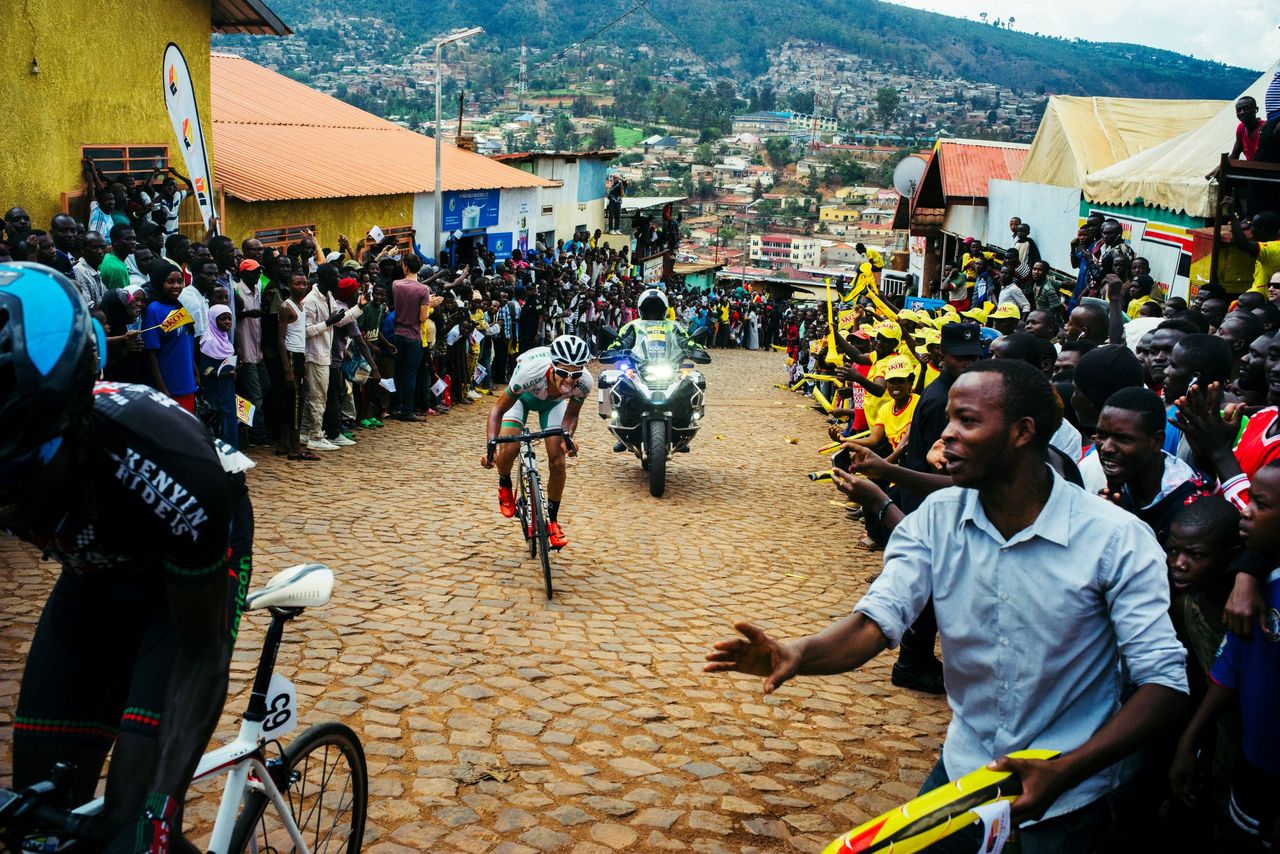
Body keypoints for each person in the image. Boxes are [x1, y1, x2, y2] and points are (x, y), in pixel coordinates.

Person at [707, 359, 1187, 851]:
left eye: (968, 421)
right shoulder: (934, 519)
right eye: (949, 419)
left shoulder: (1118, 540)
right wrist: (801, 653)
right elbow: (874, 624)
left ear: (1023, 432)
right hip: (962, 776)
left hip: (1069, 802)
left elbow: (1164, 684)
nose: (946, 436)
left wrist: (1065, 770)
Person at [1, 262, 253, 853]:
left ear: (72, 416)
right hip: (94, 572)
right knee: (35, 816)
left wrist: (158, 807)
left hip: (180, 583)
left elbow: (201, 649)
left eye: (18, 471)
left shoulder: (165, 464)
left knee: (131, 823)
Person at [1170, 461, 1280, 851]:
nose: (1247, 510)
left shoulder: (1260, 588)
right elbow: (1227, 667)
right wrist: (1191, 739)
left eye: (1261, 504)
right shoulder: (1249, 592)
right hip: (1251, 762)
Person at [481, 335, 593, 549]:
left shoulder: (585, 383)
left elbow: (571, 416)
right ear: (552, 367)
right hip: (520, 400)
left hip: (553, 405)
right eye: (563, 372)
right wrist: (491, 444)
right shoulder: (530, 373)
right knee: (510, 448)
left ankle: (552, 522)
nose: (569, 380)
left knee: (558, 461)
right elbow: (497, 410)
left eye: (575, 373)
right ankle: (505, 483)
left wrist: (568, 436)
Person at [1081, 387, 1213, 542]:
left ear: (1156, 442)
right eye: (1101, 435)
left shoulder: (1191, 508)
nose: (1106, 448)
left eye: (1123, 439)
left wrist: (1125, 528)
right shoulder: (1121, 485)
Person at [140, 262, 198, 412]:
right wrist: (162, 387)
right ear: (160, 282)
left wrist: (195, 372)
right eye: (170, 282)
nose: (177, 286)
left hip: (187, 382)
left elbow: (186, 343)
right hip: (169, 386)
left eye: (180, 281)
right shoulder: (153, 309)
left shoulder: (178, 306)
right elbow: (150, 352)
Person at [198, 304, 240, 449]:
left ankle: (231, 453)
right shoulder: (209, 342)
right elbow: (205, 370)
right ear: (213, 320)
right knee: (218, 420)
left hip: (227, 388)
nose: (228, 322)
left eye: (229, 318)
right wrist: (223, 374)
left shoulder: (225, 340)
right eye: (223, 319)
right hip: (214, 389)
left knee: (230, 418)